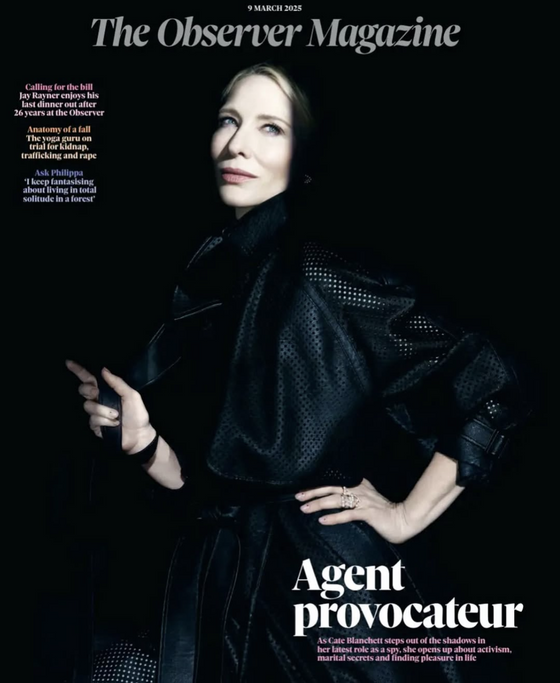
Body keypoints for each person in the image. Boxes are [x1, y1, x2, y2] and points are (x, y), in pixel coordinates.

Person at [66, 63, 534, 683]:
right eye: (229, 120)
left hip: (312, 594)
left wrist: (406, 515)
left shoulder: (319, 274)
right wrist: (144, 442)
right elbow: (220, 485)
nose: (237, 143)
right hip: (219, 587)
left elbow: (494, 382)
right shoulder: (219, 280)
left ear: (305, 160)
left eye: (271, 128)